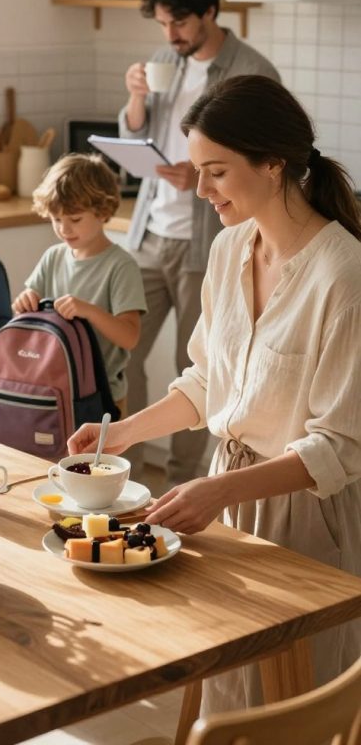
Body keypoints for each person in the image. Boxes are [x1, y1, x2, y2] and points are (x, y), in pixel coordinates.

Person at [71, 74, 361, 712]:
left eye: (217, 172)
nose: (199, 189)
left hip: (301, 516)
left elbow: (337, 449)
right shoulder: (230, 251)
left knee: (294, 705)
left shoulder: (344, 275)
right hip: (223, 500)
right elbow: (207, 383)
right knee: (228, 694)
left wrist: (218, 492)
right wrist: (119, 434)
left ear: (274, 164)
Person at [119, 0, 280, 485]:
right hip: (148, 231)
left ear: (210, 12)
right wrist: (136, 98)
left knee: (201, 371)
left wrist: (203, 178)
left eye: (180, 24)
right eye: (163, 24)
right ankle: (126, 469)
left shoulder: (250, 71)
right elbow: (137, 130)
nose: (170, 35)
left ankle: (187, 484)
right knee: (123, 352)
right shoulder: (165, 58)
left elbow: (266, 155)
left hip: (208, 240)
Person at [13, 153, 147, 414]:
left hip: (101, 395)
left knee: (96, 457)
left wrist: (88, 310)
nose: (64, 229)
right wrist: (23, 303)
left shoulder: (120, 266)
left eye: (74, 219)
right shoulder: (53, 257)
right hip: (52, 389)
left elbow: (130, 337)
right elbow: (27, 318)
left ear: (103, 211)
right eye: (56, 219)